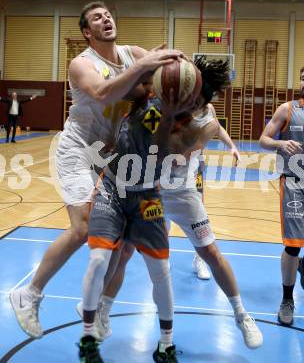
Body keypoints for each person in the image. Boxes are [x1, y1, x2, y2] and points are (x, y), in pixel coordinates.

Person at [9, 1, 184, 339]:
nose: (105, 19)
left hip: (112, 156)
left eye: (107, 14)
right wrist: (145, 66)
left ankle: (98, 305)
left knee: (124, 241)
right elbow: (104, 93)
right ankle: (28, 295)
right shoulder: (82, 63)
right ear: (87, 32)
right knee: (83, 227)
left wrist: (179, 70)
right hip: (78, 150)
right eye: (96, 18)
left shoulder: (133, 53)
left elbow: (158, 81)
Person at [85, 58, 263, 351]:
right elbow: (127, 105)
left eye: (194, 99)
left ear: (202, 98)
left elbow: (171, 151)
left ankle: (242, 315)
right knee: (125, 251)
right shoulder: (160, 98)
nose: (189, 102)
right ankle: (103, 309)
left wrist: (164, 115)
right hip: (145, 189)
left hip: (180, 191)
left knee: (210, 252)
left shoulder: (207, 123)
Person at [79, 81, 195, 363]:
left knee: (161, 270)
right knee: (99, 259)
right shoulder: (137, 104)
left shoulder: (172, 114)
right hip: (112, 188)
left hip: (147, 194)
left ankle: (166, 343)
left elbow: (177, 150)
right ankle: (87, 340)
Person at [259, 66, 304, 326]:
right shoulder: (287, 109)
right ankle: (287, 299)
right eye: (302, 77)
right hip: (294, 182)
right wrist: (279, 143)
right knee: (293, 245)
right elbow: (263, 139)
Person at [192, 107, 241, 280]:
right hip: (169, 164)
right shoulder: (171, 100)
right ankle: (163, 255)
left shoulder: (207, 107)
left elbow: (218, 128)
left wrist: (231, 146)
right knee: (162, 213)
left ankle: (200, 258)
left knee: (198, 213)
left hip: (194, 165)